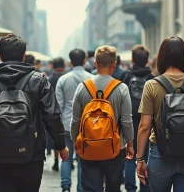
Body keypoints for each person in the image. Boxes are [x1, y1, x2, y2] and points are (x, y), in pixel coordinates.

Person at [0, 34, 69, 192]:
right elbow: (51, 116)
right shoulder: (39, 81)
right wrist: (60, 145)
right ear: (24, 56)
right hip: (32, 154)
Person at [137, 36, 184, 192]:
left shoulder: (152, 86)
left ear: (161, 57)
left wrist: (140, 159)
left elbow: (144, 126)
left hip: (160, 155)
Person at [71, 45, 134, 192]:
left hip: (88, 145)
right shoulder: (121, 88)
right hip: (115, 146)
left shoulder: (82, 87)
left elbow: (75, 120)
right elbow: (126, 120)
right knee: (113, 186)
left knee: (92, 187)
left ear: (95, 64)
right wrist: (130, 144)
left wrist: (75, 140)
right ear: (114, 64)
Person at [56, 49, 92, 192]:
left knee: (67, 157)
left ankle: (65, 186)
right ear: (84, 61)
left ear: (70, 61)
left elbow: (58, 105)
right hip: (86, 124)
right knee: (83, 158)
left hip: (66, 123)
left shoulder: (63, 79)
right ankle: (81, 188)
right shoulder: (91, 79)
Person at [120, 45, 153, 192]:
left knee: (129, 157)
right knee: (145, 156)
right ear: (147, 60)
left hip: (128, 122)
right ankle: (145, 187)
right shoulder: (153, 79)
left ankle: (130, 188)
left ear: (132, 59)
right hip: (147, 122)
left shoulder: (126, 76)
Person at [47, 57, 65, 171]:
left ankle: (56, 161)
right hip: (68, 112)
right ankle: (67, 159)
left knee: (54, 136)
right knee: (67, 137)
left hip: (53, 111)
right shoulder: (66, 77)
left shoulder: (51, 78)